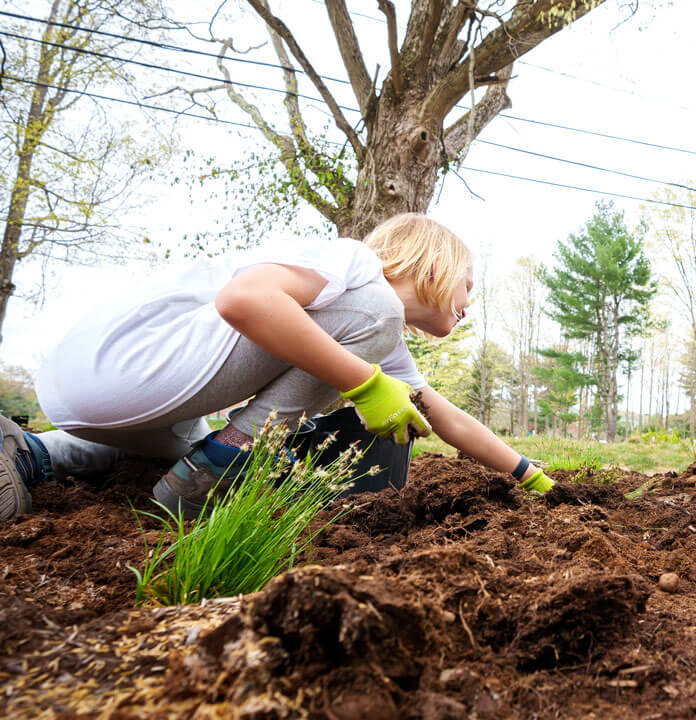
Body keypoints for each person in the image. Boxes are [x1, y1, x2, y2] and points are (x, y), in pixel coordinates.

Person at [0, 213, 553, 520]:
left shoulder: (370, 330)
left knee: (182, 447)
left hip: (100, 398)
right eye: (468, 285)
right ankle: (220, 470)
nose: (470, 302)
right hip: (127, 365)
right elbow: (243, 300)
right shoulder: (355, 270)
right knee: (375, 315)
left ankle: (34, 453)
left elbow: (446, 417)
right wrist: (361, 383)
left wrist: (531, 476)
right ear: (436, 263)